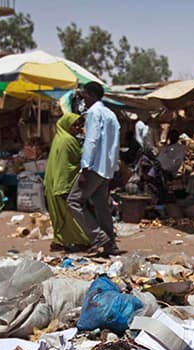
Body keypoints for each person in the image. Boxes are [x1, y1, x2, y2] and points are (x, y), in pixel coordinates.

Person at [67, 81, 120, 256]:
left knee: (73, 201)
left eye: (85, 96)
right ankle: (110, 244)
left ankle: (99, 237)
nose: (83, 100)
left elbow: (91, 140)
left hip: (94, 167)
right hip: (106, 168)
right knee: (101, 206)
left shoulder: (94, 113)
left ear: (92, 95)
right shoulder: (110, 114)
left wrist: (85, 168)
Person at [44, 112, 91, 251]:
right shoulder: (68, 141)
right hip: (61, 183)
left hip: (53, 181)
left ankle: (60, 240)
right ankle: (81, 241)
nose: (77, 128)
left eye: (79, 125)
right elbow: (66, 166)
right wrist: (64, 187)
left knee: (60, 215)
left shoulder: (61, 138)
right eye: (74, 125)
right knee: (69, 216)